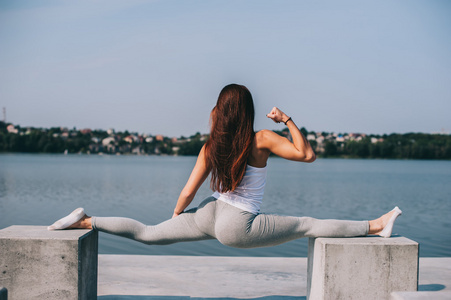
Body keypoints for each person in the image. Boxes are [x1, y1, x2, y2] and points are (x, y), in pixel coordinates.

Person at [48, 84, 402, 247]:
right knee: (308, 224)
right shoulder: (260, 139)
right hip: (237, 225)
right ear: (246, 111)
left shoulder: (211, 145)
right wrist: (288, 119)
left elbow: (188, 191)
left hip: (208, 213)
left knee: (147, 233)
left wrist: (176, 219)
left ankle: (85, 220)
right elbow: (307, 155)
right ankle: (375, 226)